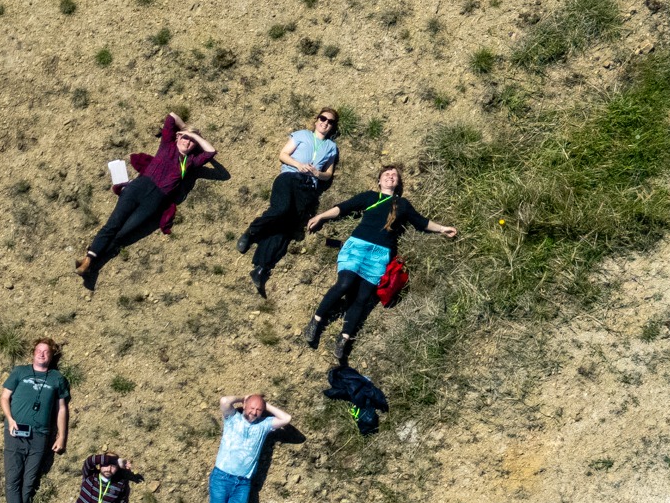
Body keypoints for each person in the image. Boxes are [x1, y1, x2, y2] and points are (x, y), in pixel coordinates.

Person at [301, 165, 458, 364]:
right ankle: (316, 321)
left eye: (394, 175)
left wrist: (442, 228)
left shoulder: (403, 204)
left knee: (363, 297)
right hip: (357, 246)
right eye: (386, 174)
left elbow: (421, 222)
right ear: (379, 181)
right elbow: (343, 207)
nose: (390, 177)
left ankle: (344, 338)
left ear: (398, 183)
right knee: (344, 284)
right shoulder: (369, 197)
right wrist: (321, 216)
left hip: (380, 255)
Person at [76, 114, 217, 281]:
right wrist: (184, 129)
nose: (187, 142)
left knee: (123, 233)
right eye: (185, 138)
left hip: (155, 200)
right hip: (139, 188)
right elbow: (172, 117)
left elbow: (211, 151)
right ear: (178, 137)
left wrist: (194, 135)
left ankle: (91, 262)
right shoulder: (167, 145)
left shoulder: (189, 162)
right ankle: (89, 261)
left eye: (191, 142)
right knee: (113, 224)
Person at [236, 109, 339, 294]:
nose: (325, 123)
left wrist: (317, 173)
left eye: (330, 122)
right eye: (323, 118)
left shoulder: (331, 147)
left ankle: (261, 269)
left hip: (308, 189)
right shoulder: (302, 135)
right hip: (290, 177)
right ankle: (252, 232)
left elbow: (329, 174)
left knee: (286, 229)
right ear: (316, 120)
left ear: (332, 127)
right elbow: (283, 154)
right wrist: (298, 165)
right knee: (281, 209)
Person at [0, 338, 71, 503]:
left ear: (51, 356)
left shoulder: (57, 379)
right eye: (38, 350)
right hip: (15, 432)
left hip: (40, 436)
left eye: (46, 352)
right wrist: (10, 420)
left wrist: (61, 436)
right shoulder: (20, 372)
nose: (41, 354)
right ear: (33, 353)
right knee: (13, 481)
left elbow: (62, 409)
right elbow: (4, 398)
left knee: (28, 483)